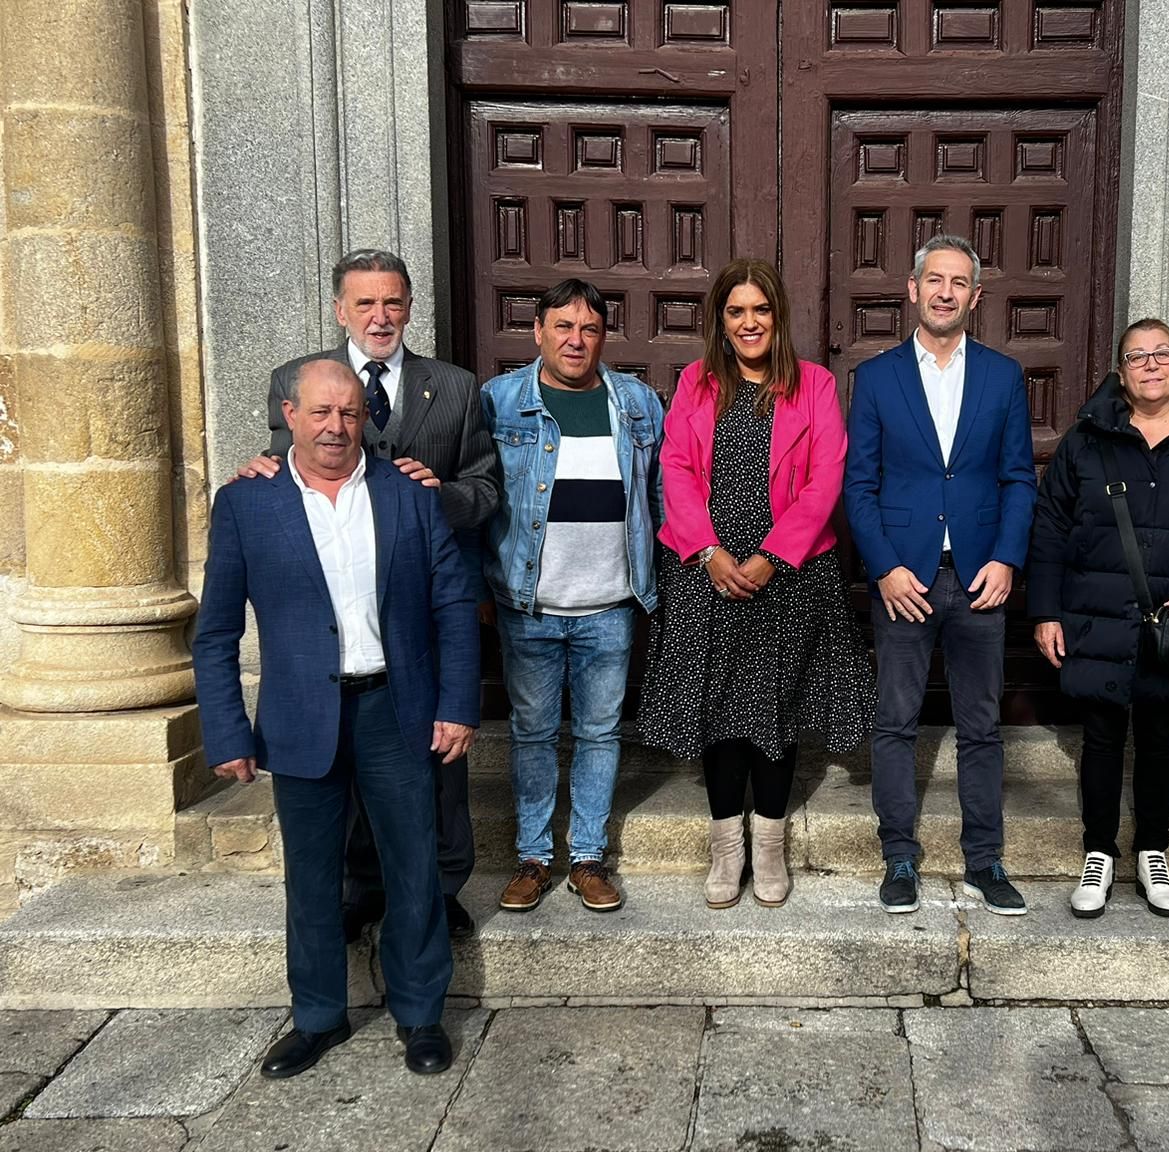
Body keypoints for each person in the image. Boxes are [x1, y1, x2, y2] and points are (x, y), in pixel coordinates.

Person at [194, 359, 479, 1077]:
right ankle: (318, 1016)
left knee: (414, 867)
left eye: (349, 413)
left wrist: (457, 704)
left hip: (397, 708)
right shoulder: (245, 505)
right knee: (312, 876)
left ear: (366, 417)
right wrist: (227, 729)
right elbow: (216, 630)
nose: (335, 427)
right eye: (320, 412)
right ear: (288, 415)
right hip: (299, 715)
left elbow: (453, 604)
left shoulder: (409, 495)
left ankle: (420, 1015)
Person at [242, 248, 496, 942]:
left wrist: (437, 496)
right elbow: (284, 471)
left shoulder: (455, 388)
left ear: (410, 307)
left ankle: (441, 889)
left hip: (423, 607)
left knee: (439, 759)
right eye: (365, 304)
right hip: (338, 607)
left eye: (393, 303)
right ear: (339, 310)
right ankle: (363, 888)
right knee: (341, 756)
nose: (380, 317)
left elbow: (486, 490)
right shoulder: (295, 383)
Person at [638, 259, 874, 909]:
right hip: (705, 573)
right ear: (721, 318)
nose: (749, 322)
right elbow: (676, 470)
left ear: (778, 317)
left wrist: (774, 553)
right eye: (736, 311)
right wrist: (708, 549)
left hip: (790, 574)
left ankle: (768, 848)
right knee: (720, 707)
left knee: (776, 705)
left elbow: (827, 477)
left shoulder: (815, 385)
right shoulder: (696, 382)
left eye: (761, 310)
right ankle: (726, 849)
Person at [1029, 319, 1169, 918]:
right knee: (1100, 737)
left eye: (1163, 354)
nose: (1151, 365)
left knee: (1159, 738)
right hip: (1096, 612)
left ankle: (1154, 851)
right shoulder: (1088, 439)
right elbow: (1049, 527)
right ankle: (1098, 853)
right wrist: (1045, 611)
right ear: (1121, 370)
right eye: (1137, 356)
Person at [843, 233, 1038, 916]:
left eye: (960, 282)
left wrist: (1008, 557)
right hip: (906, 579)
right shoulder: (875, 377)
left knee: (981, 727)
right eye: (935, 279)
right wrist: (885, 568)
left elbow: (1018, 477)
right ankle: (899, 855)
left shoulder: (1002, 375)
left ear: (975, 297)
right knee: (895, 721)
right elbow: (858, 485)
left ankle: (985, 860)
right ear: (913, 287)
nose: (946, 291)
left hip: (980, 576)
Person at [479, 278, 663, 915]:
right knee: (531, 733)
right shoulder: (500, 402)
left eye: (587, 328)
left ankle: (587, 857)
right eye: (562, 327)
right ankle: (532, 856)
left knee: (599, 732)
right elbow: (478, 496)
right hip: (528, 603)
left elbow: (659, 498)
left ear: (602, 335)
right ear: (538, 332)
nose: (575, 340)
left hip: (610, 603)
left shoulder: (637, 403)